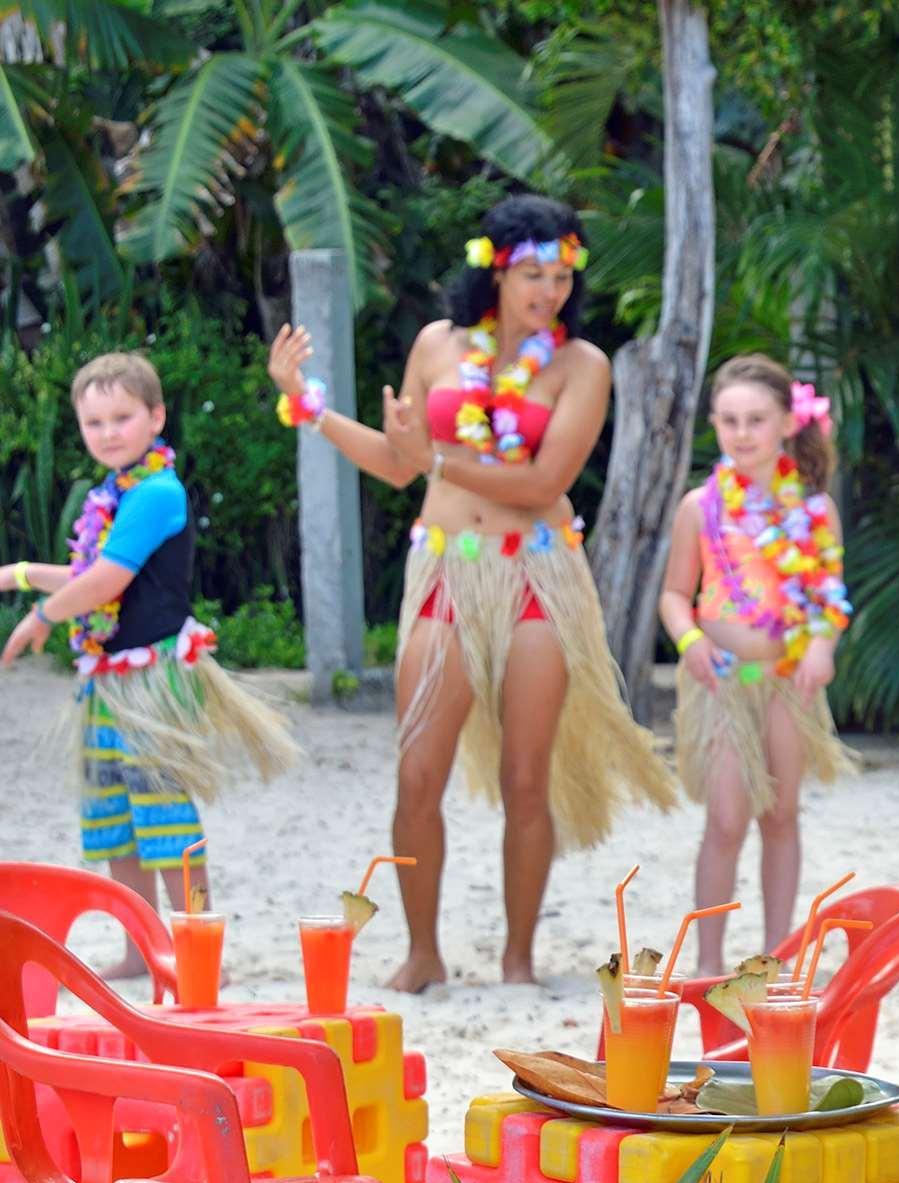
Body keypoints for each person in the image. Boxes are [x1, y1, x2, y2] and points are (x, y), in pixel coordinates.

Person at [267, 193, 674, 990]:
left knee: (527, 774)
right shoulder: (436, 345)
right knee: (418, 768)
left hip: (536, 573)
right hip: (447, 570)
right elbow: (396, 459)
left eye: (561, 275)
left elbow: (542, 479)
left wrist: (438, 462)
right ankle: (422, 951)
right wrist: (308, 404)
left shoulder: (580, 366)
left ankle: (518, 958)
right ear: (493, 267)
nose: (548, 289)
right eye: (531, 272)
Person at [0, 350, 296, 952]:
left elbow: (106, 582)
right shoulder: (117, 491)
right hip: (109, 683)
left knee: (167, 822)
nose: (107, 433)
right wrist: (18, 575)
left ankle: (197, 955)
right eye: (94, 423)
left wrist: (40, 617)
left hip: (155, 682)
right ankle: (144, 950)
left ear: (156, 418)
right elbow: (85, 570)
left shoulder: (155, 493)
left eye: (121, 418)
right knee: (114, 823)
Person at [657, 356, 858, 977]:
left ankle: (779, 954)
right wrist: (688, 640)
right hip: (722, 682)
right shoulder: (702, 507)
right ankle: (710, 961)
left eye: (755, 420)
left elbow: (828, 595)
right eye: (728, 421)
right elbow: (672, 595)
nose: (741, 434)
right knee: (725, 817)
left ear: (786, 424)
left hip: (786, 683)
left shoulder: (815, 509)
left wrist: (823, 643)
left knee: (780, 813)